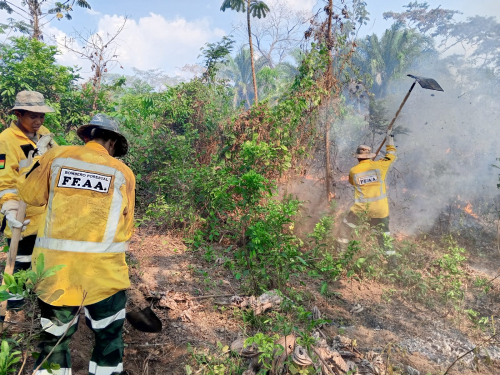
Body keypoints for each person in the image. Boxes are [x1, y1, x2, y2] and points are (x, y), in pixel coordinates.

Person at [18, 114, 135, 375]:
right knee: (108, 341)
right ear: (113, 143)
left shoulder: (57, 157)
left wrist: (38, 161)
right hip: (104, 277)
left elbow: (30, 195)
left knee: (53, 343)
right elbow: (127, 230)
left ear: (86, 137)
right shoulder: (124, 173)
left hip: (56, 274)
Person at [0, 91, 56, 316]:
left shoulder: (43, 135)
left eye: (41, 116)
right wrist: (10, 209)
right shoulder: (6, 140)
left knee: (42, 262)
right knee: (19, 263)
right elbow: (4, 181)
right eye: (33, 116)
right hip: (21, 216)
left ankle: (40, 310)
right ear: (19, 114)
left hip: (45, 216)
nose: (38, 121)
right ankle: (14, 313)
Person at [337, 132, 397, 261]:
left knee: (345, 229)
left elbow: (352, 182)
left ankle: (339, 258)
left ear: (358, 157)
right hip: (381, 211)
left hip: (361, 210)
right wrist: (390, 140)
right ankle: (392, 265)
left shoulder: (354, 171)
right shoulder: (380, 166)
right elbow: (391, 155)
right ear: (370, 156)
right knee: (384, 238)